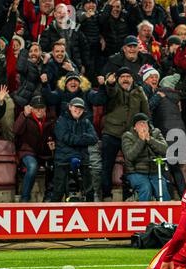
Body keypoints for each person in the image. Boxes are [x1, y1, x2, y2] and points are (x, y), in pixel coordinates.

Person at [101, 67, 150, 201]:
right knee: (107, 165)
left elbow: (146, 113)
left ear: (133, 79)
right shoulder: (114, 89)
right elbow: (110, 92)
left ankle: (128, 196)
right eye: (122, 77)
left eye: (128, 76)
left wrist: (146, 130)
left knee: (131, 166)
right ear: (118, 79)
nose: (125, 79)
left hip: (130, 135)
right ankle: (106, 195)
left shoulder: (139, 92)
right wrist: (110, 83)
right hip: (111, 133)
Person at [52, 97, 98, 202]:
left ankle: (91, 211)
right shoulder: (61, 120)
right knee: (58, 191)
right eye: (75, 107)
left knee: (90, 190)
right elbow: (65, 137)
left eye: (81, 108)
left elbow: (94, 138)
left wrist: (77, 139)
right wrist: (83, 138)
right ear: (70, 107)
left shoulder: (86, 122)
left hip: (83, 159)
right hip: (63, 159)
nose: (78, 110)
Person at [13, 95, 55, 202]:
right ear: (31, 108)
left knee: (55, 164)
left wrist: (53, 143)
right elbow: (16, 131)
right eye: (36, 108)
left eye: (42, 107)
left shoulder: (51, 120)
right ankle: (25, 199)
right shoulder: (26, 117)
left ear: (45, 108)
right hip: (27, 152)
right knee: (32, 166)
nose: (39, 110)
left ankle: (49, 196)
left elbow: (56, 136)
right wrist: (23, 115)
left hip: (44, 153)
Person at [121, 113, 170, 201]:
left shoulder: (156, 132)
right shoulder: (128, 136)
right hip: (136, 172)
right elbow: (130, 156)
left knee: (162, 190)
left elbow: (165, 150)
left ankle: (166, 213)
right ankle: (143, 212)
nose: (143, 125)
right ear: (134, 127)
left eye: (144, 123)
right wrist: (141, 140)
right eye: (139, 123)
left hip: (155, 172)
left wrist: (150, 139)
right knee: (145, 188)